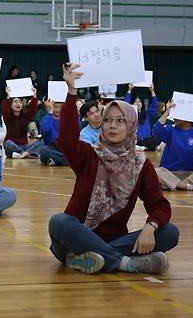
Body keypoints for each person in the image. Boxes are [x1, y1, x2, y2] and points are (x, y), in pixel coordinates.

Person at [48, 63, 178, 275]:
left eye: (120, 121)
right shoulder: (89, 155)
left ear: (131, 126)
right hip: (76, 237)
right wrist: (71, 92)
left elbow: (160, 206)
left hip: (117, 239)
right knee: (59, 222)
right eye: (107, 119)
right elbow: (66, 140)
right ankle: (123, 263)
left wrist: (150, 227)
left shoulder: (140, 164)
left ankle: (90, 259)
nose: (112, 125)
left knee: (170, 232)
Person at [153, 100, 193, 191]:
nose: (174, 117)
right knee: (155, 172)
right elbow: (156, 130)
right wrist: (167, 112)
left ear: (187, 118)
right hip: (169, 173)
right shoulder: (170, 130)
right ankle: (188, 186)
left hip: (189, 174)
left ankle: (177, 185)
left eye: (178, 114)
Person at [2, 86, 41, 159]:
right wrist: (8, 97)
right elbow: (5, 109)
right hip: (12, 146)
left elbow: (33, 110)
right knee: (7, 143)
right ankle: (26, 153)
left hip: (24, 145)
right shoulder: (8, 117)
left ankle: (22, 154)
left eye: (19, 102)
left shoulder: (26, 117)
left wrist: (34, 96)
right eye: (15, 102)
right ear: (10, 106)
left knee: (41, 142)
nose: (18, 104)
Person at [124, 84, 159, 151]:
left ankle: (146, 147)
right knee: (135, 139)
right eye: (135, 102)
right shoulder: (131, 114)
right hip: (137, 140)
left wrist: (152, 91)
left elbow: (155, 105)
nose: (137, 103)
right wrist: (129, 89)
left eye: (139, 102)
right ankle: (150, 147)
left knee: (158, 138)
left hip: (147, 139)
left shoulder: (147, 113)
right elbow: (126, 104)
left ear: (142, 103)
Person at [39, 99, 67, 166]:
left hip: (68, 150)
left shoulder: (69, 119)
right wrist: (50, 113)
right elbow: (49, 134)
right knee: (43, 150)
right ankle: (65, 160)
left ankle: (56, 160)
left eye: (61, 107)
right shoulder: (46, 119)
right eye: (55, 107)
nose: (58, 110)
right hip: (53, 149)